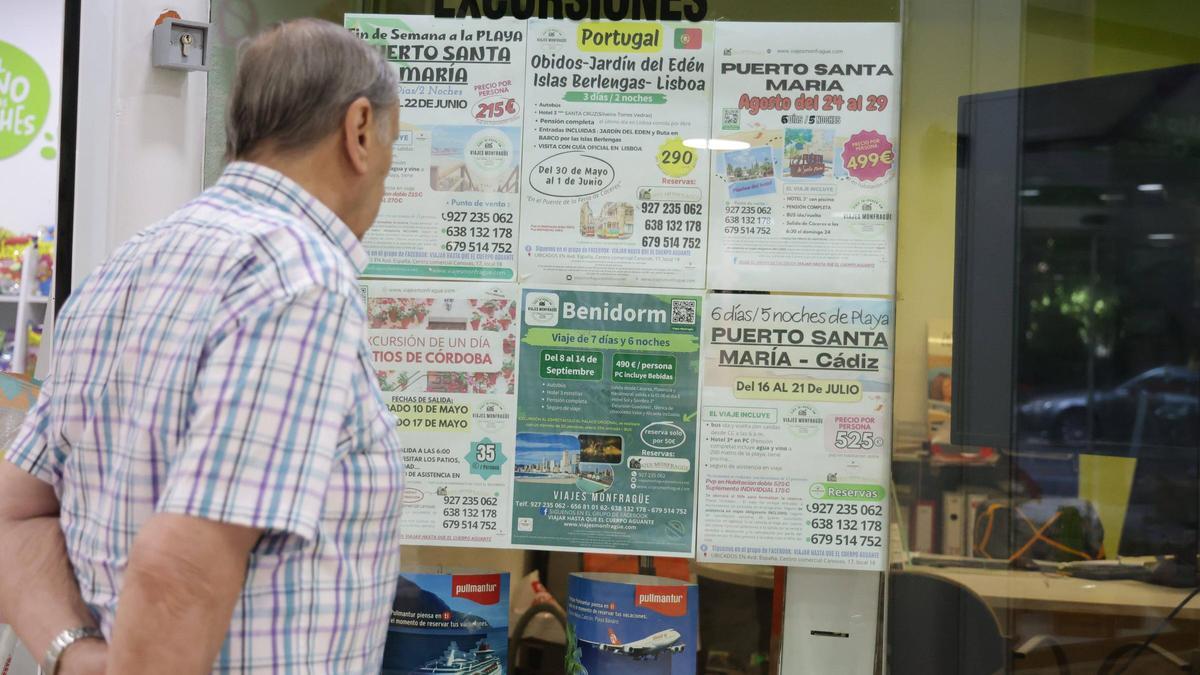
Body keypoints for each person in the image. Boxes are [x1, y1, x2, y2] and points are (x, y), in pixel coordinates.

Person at [0, 18, 405, 674]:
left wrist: (75, 657)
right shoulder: (299, 275)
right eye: (394, 146)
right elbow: (183, 563)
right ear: (359, 131)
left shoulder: (124, 266)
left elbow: (15, 513)